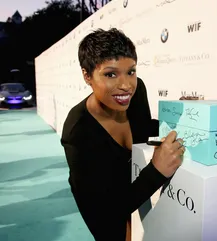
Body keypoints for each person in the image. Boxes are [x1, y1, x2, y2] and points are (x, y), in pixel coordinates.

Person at [60, 28, 185, 241]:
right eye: (110, 74)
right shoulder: (78, 132)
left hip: (136, 196)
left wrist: (185, 120)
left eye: (131, 71)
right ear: (87, 76)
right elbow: (106, 209)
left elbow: (143, 127)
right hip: (103, 210)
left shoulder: (136, 93)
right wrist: (157, 170)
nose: (126, 85)